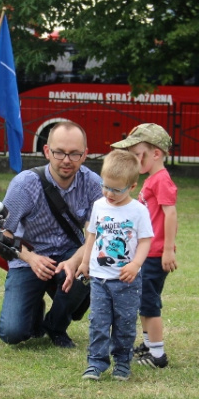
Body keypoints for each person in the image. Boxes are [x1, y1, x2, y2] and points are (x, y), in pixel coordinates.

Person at [0, 121, 103, 348]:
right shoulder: (24, 184)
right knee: (12, 333)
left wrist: (75, 262)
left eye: (74, 154)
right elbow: (0, 232)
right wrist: (31, 259)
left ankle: (55, 326)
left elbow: (100, 234)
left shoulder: (94, 184)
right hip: (30, 257)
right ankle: (34, 308)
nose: (66, 160)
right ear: (47, 151)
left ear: (85, 155)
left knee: (89, 264)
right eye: (59, 152)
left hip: (69, 253)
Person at [69, 149, 153, 381]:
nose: (110, 193)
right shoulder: (99, 205)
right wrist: (85, 262)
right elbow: (92, 235)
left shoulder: (138, 211)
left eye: (117, 189)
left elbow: (146, 240)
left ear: (132, 186)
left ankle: (122, 363)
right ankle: (95, 363)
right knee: (98, 323)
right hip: (99, 279)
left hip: (126, 281)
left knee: (124, 325)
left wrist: (136, 264)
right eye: (106, 187)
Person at [111, 123, 178, 369]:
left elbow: (170, 214)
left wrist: (168, 249)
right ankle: (149, 345)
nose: (132, 159)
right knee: (143, 301)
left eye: (137, 153)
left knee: (150, 303)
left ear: (156, 154)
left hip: (155, 254)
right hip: (146, 253)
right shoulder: (152, 180)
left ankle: (158, 355)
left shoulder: (161, 180)